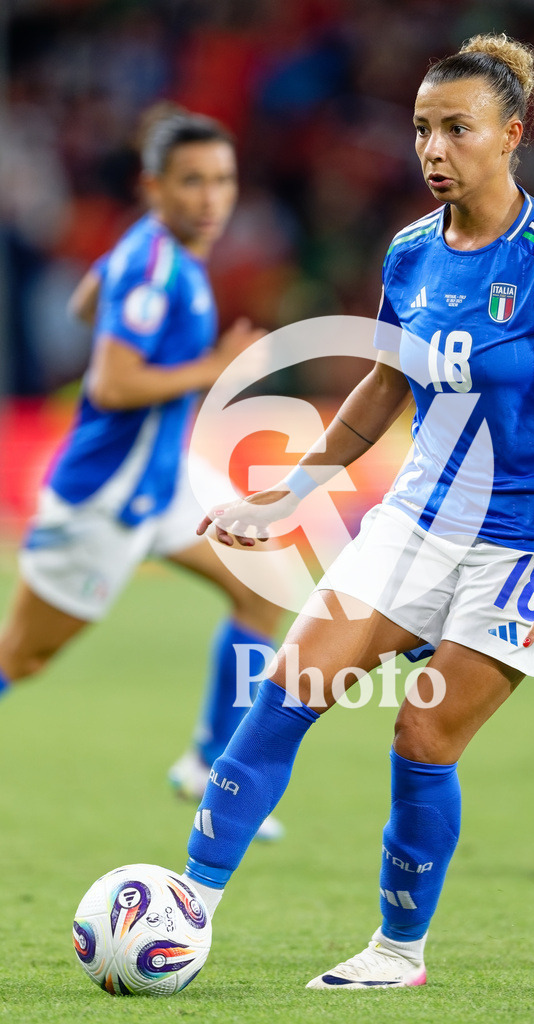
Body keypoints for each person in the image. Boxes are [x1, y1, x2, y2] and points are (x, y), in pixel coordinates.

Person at [179, 33, 534, 988]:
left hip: (526, 548)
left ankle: (396, 951)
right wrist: (295, 487)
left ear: (509, 136)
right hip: (413, 524)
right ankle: (184, 912)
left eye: (457, 129)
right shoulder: (410, 253)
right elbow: (383, 386)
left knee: (421, 734)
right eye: (422, 129)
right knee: (285, 691)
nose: (433, 148)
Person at [0, 106, 284, 839]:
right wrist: (217, 367)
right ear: (153, 187)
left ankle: (208, 764)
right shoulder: (156, 268)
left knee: (258, 588)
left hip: (159, 491)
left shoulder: (152, 252)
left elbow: (84, 300)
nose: (210, 198)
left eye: (221, 181)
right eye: (191, 182)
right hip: (103, 500)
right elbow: (112, 386)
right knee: (21, 658)